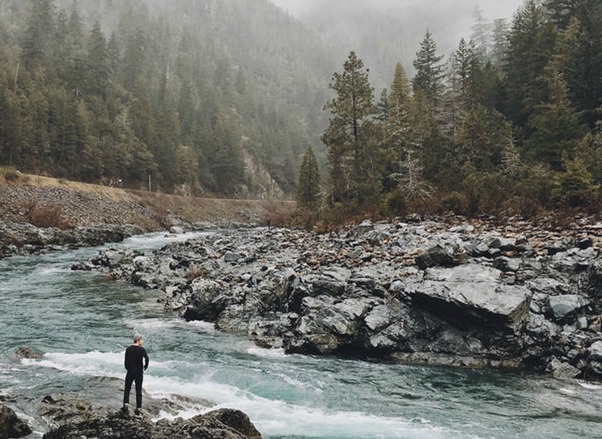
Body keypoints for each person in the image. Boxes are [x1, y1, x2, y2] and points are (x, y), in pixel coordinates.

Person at [122, 334, 149, 416]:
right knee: (138, 390)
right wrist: (145, 367)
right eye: (142, 340)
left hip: (130, 371)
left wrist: (128, 368)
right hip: (139, 372)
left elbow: (126, 361)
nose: (142, 341)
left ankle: (126, 404)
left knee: (127, 388)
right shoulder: (142, 349)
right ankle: (138, 408)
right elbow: (147, 359)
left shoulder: (128, 349)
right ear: (138, 340)